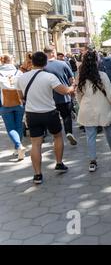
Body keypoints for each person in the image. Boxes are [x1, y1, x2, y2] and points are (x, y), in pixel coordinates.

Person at [17, 52, 75, 184]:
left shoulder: (22, 78)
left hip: (32, 114)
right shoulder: (49, 77)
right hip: (49, 112)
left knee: (35, 144)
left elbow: (20, 96)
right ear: (45, 63)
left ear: (32, 62)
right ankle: (59, 163)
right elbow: (64, 91)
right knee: (58, 136)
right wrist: (72, 87)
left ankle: (37, 175)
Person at [76, 51, 111, 172]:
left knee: (90, 136)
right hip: (103, 106)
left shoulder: (81, 77)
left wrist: (82, 105)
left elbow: (78, 95)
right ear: (97, 61)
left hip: (87, 108)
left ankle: (92, 161)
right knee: (108, 130)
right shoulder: (103, 75)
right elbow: (110, 94)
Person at [44, 46, 77, 146]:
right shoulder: (63, 64)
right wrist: (72, 92)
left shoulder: (43, 66)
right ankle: (68, 132)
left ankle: (56, 135)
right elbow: (72, 80)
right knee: (66, 116)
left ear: (45, 53)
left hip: (49, 98)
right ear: (54, 53)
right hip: (64, 96)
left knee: (54, 117)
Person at [0, 54, 26, 160]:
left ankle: (18, 146)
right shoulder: (19, 72)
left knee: (10, 128)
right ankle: (17, 149)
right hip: (19, 102)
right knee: (19, 125)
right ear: (11, 61)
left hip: (5, 104)